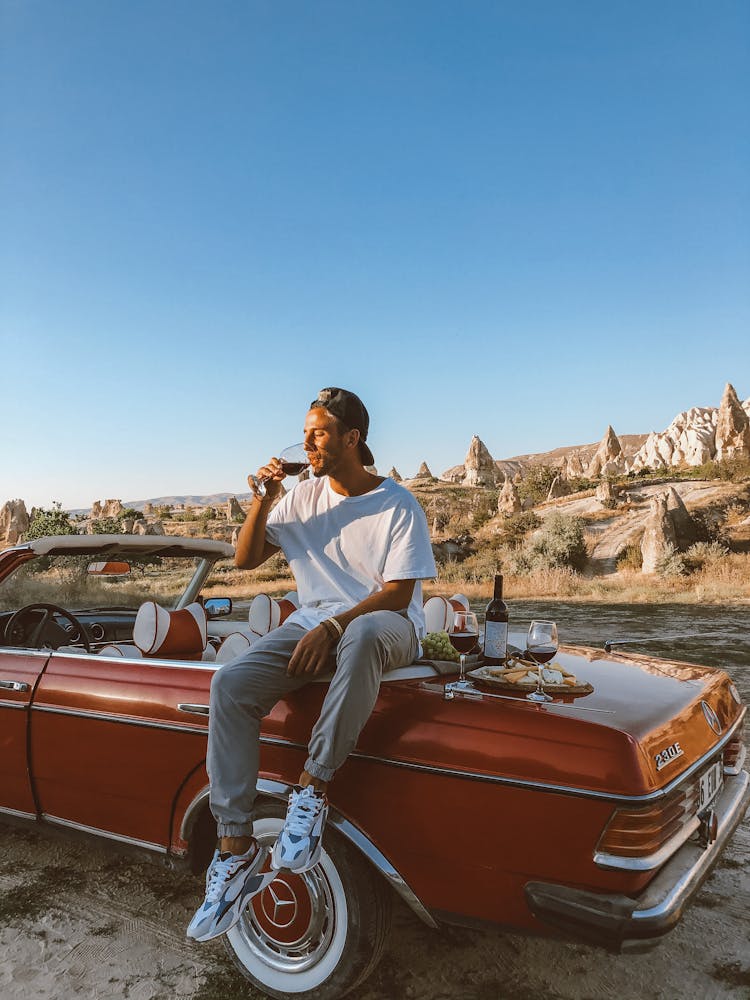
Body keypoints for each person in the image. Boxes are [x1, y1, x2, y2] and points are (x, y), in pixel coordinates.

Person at [187, 387, 437, 942]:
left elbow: (398, 594)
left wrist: (334, 625)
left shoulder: (397, 503)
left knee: (364, 630)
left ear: (352, 438)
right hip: (312, 627)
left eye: (318, 433)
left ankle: (312, 789)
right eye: (304, 433)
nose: (307, 443)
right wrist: (263, 498)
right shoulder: (299, 497)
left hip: (388, 626)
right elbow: (247, 558)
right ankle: (235, 848)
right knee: (230, 685)